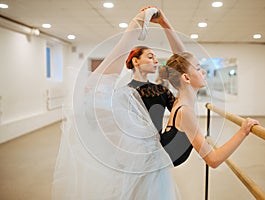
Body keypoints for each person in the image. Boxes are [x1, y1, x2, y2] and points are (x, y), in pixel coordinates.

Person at [52, 6, 185, 200]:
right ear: (136, 62)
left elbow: (184, 67)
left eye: (156, 57)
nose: (155, 60)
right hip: (127, 159)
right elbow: (100, 108)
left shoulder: (161, 90)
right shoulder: (123, 91)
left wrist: (166, 24)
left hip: (153, 158)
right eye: (150, 56)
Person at [160, 52, 260, 168]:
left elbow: (178, 65)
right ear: (186, 77)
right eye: (198, 68)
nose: (204, 71)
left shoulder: (180, 101)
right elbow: (213, 160)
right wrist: (243, 131)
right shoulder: (185, 111)